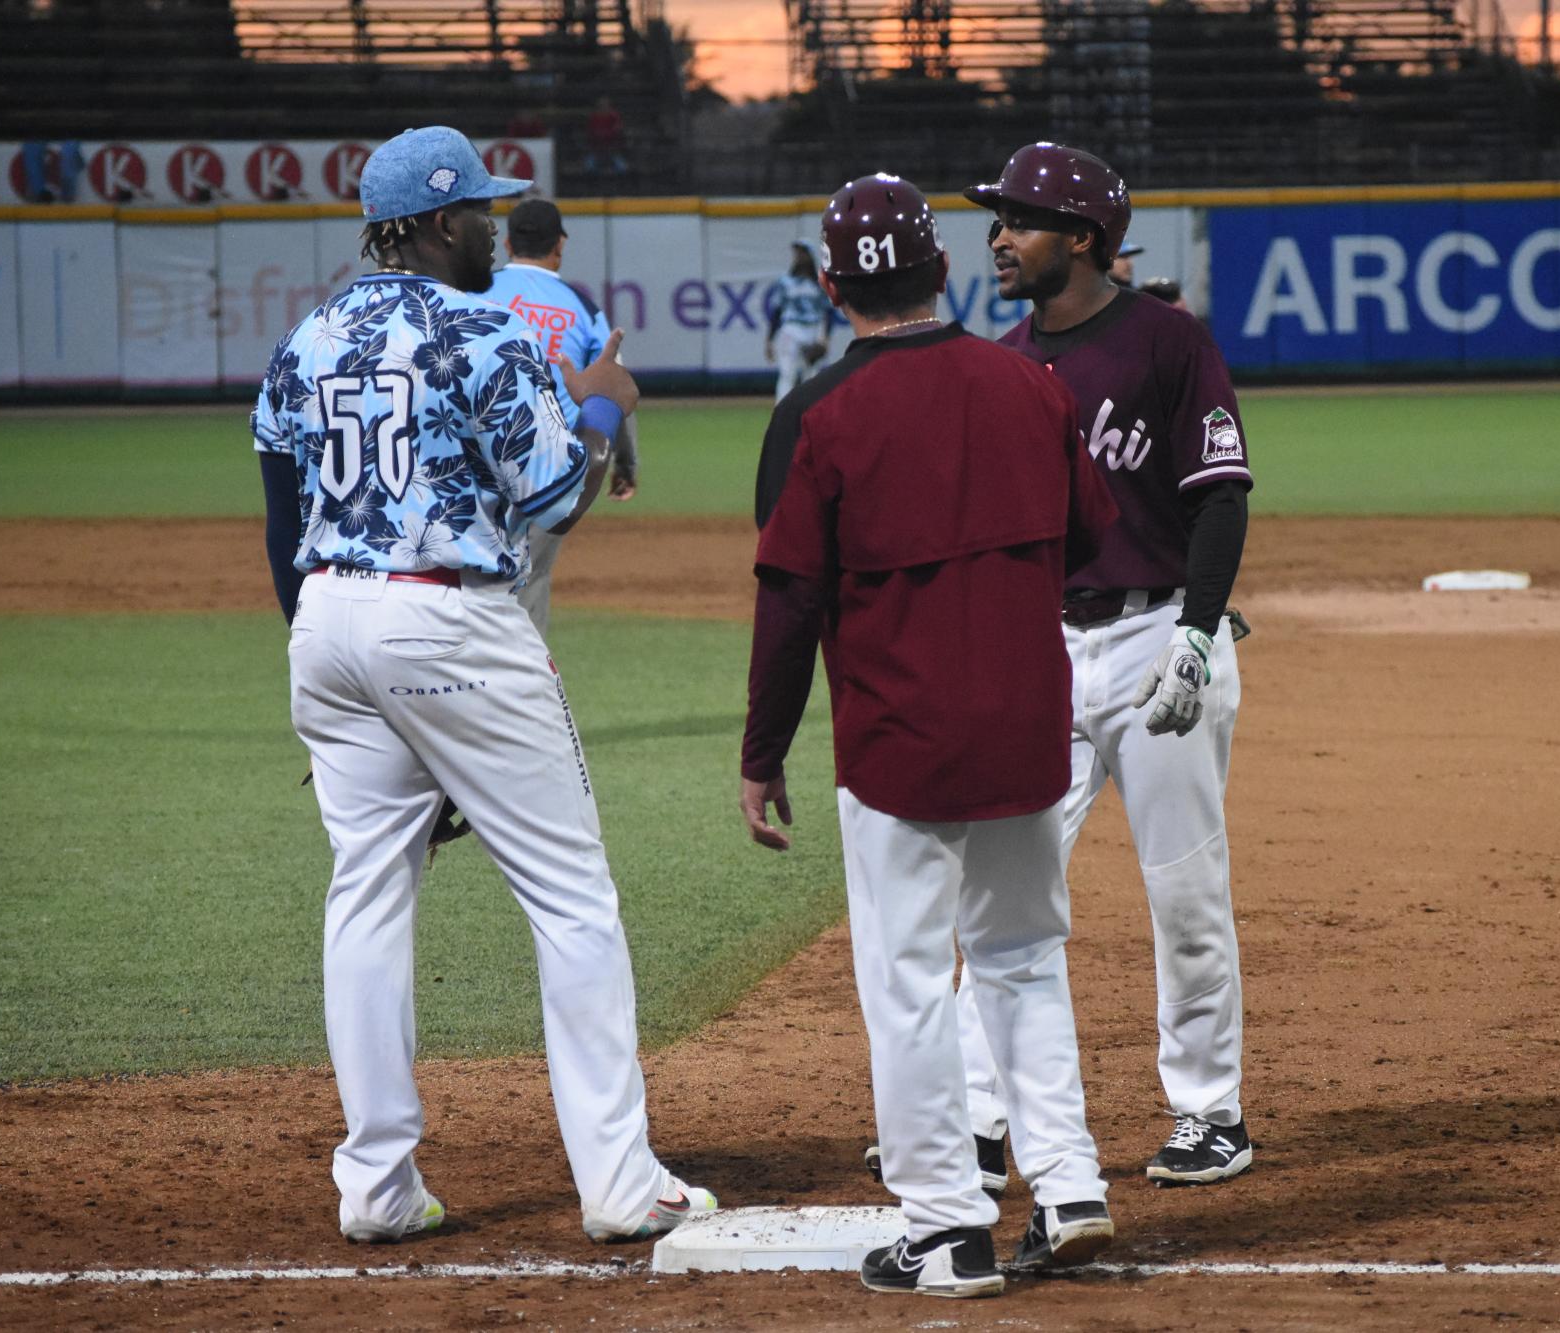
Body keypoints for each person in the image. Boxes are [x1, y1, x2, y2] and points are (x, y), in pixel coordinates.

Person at [251, 125, 711, 1247]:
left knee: (365, 891)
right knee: (570, 895)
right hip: (449, 614)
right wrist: (601, 402)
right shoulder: (482, 329)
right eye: (482, 216)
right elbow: (555, 499)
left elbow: (279, 520)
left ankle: (376, 1186)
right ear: (435, 221)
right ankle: (618, 1181)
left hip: (325, 618)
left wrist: (332, 660)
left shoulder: (305, 338)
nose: (496, 231)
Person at [742, 173, 1119, 1298]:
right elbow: (1093, 540)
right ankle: (1066, 1185)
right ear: (942, 268)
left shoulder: (815, 413)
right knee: (1020, 959)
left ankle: (946, 1225)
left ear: (828, 284)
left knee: (908, 980)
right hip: (1023, 731)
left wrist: (761, 753)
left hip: (898, 739)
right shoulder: (1029, 384)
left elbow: (788, 602)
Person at [957, 141, 1256, 1187]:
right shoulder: (999, 363)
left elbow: (1218, 496)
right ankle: (981, 1120)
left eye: (1018, 220)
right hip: (1042, 643)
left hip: (1157, 634)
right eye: (995, 219)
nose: (996, 237)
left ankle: (1209, 1112)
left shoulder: (1167, 344)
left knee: (1182, 889)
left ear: (1080, 238)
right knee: (1001, 890)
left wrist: (1196, 635)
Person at [484, 197, 638, 637]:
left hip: (475, 463)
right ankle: (524, 696)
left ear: (508, 243)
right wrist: (625, 462)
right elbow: (612, 386)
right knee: (529, 583)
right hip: (550, 468)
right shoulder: (582, 308)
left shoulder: (473, 292)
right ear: (561, 245)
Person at [764, 239, 831, 402]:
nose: (799, 257)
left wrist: (825, 338)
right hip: (790, 329)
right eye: (797, 253)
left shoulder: (820, 284)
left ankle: (810, 416)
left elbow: (827, 313)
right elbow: (777, 312)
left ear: (810, 256)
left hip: (813, 329)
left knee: (812, 376)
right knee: (787, 374)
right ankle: (781, 414)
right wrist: (769, 339)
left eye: (803, 253)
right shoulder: (784, 282)